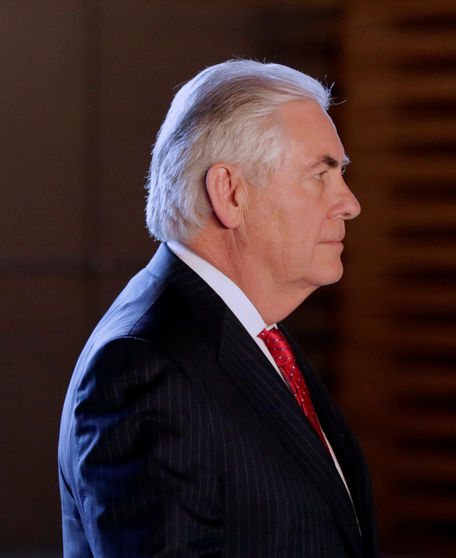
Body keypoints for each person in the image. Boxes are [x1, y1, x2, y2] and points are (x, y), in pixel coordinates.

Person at [58, 59, 378, 557]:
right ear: (230, 193)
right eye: (321, 173)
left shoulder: (256, 336)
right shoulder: (145, 364)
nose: (350, 202)